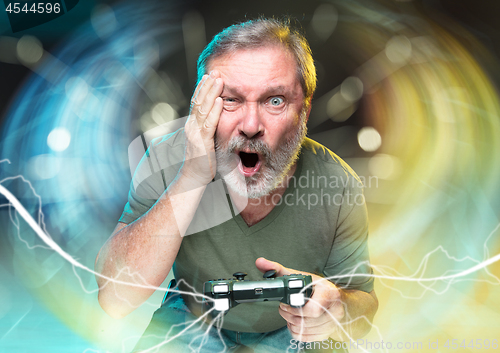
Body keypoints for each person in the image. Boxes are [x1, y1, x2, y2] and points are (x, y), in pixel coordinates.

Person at [95, 18, 378, 353]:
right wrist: (193, 174)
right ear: (200, 104)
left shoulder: (337, 182)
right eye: (229, 99)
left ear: (305, 109)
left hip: (294, 330)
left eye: (275, 100)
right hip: (193, 316)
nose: (251, 126)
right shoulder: (166, 158)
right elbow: (115, 299)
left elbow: (364, 306)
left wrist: (340, 308)